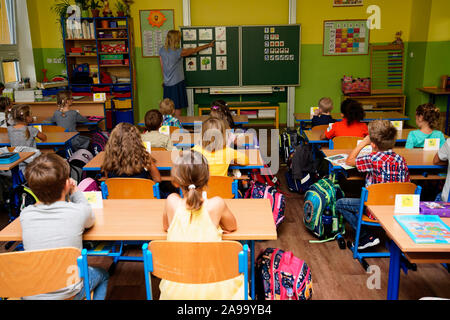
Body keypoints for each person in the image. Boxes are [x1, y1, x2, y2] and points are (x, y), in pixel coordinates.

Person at [20, 153, 108, 300]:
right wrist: (76, 192)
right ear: (67, 183)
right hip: (68, 292)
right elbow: (90, 220)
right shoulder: (78, 212)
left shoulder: (26, 215)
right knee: (103, 275)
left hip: (30, 292)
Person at [160, 150, 246, 300]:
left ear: (175, 181)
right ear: (207, 179)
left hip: (176, 291)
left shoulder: (171, 201)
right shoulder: (216, 205)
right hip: (215, 289)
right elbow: (232, 226)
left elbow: (166, 227)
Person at [336, 120, 410, 250]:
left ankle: (366, 237)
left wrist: (364, 143)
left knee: (340, 204)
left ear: (373, 145)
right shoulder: (401, 160)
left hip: (374, 209)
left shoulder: (372, 159)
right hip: (396, 208)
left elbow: (349, 161)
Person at [159, 30, 215, 117]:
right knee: (177, 107)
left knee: (167, 107)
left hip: (167, 83)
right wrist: (208, 45)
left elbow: (162, 66)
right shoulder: (178, 51)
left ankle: (168, 127)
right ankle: (177, 126)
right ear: (176, 39)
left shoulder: (162, 50)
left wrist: (164, 79)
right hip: (177, 83)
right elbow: (194, 50)